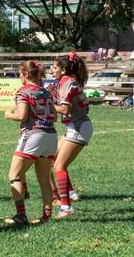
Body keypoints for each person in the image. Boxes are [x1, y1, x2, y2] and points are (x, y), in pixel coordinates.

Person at [3, 61, 58, 226]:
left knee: (14, 175)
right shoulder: (45, 92)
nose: (20, 77)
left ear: (26, 75)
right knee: (44, 179)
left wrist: (7, 114)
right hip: (51, 135)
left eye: (20, 74)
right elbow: (55, 117)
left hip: (34, 135)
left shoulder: (24, 91)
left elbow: (22, 115)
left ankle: (20, 216)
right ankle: (47, 216)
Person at [48, 52, 92, 218]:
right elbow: (66, 106)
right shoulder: (67, 81)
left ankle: (66, 207)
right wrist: (54, 97)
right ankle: (71, 193)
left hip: (79, 127)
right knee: (53, 160)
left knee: (59, 166)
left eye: (54, 67)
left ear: (64, 70)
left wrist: (48, 103)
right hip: (76, 126)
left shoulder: (67, 82)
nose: (52, 71)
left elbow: (65, 110)